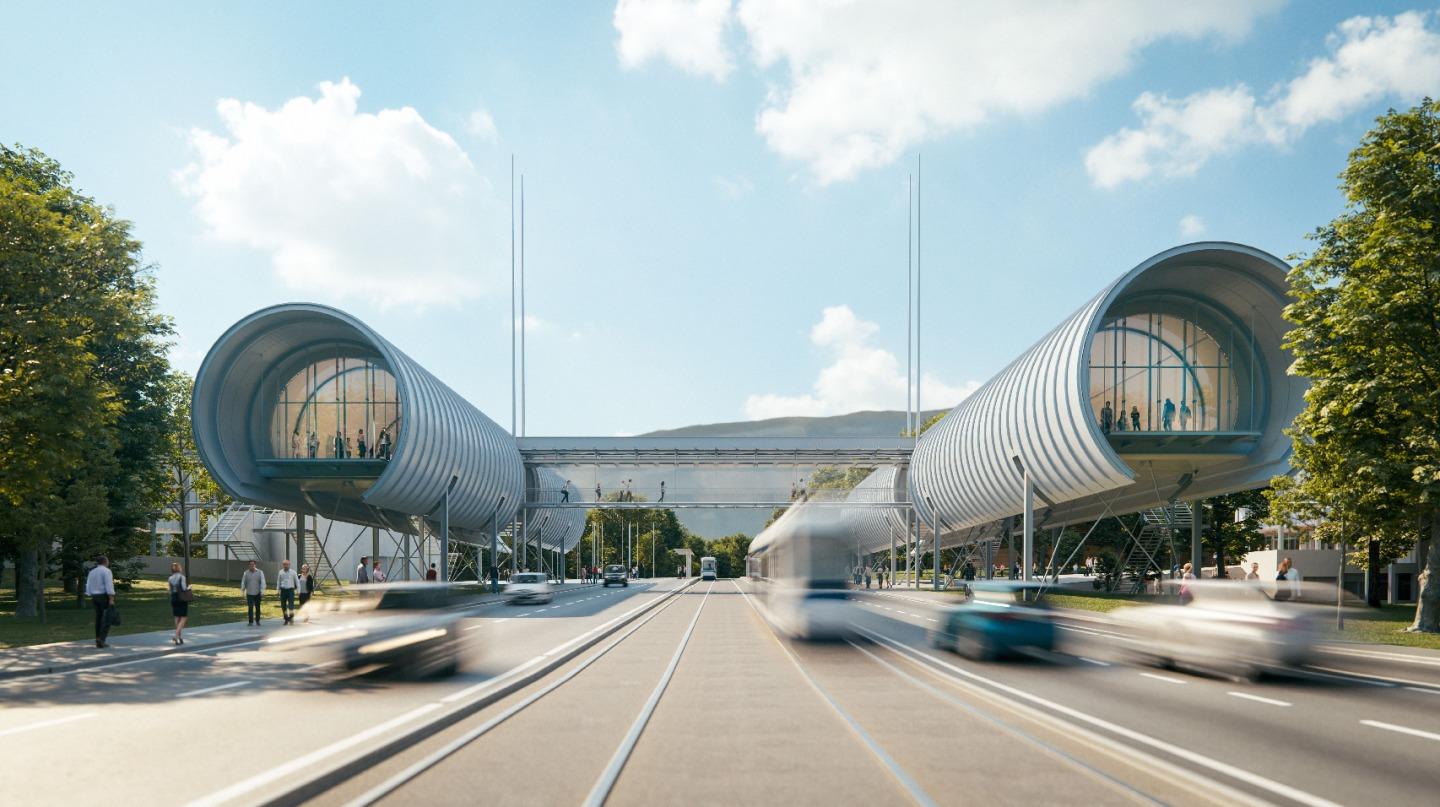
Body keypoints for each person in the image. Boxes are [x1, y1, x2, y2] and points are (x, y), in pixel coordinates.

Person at [86, 555, 116, 648]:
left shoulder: (92, 571)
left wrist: (90, 594)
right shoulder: (106, 571)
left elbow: (88, 584)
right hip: (103, 596)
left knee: (98, 618)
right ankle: (102, 639)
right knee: (107, 618)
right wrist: (111, 598)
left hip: (94, 596)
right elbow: (109, 584)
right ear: (105, 561)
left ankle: (97, 638)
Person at [168, 561, 190, 644]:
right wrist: (189, 587)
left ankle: (179, 638)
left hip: (173, 598)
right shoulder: (182, 577)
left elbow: (170, 590)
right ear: (179, 568)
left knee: (177, 617)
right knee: (183, 618)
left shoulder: (170, 578)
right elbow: (184, 589)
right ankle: (176, 636)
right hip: (181, 598)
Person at [240, 560, 266, 625]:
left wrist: (262, 591)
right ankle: (250, 621)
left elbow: (263, 582)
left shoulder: (260, 572)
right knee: (250, 607)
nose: (252, 566)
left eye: (253, 564)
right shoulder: (246, 573)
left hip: (258, 593)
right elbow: (243, 582)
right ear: (249, 565)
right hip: (249, 593)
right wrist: (242, 591)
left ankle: (258, 621)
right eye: (250, 564)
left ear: (255, 565)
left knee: (258, 607)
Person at [276, 559, 299, 625]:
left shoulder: (293, 572)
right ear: (283, 565)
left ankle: (291, 618)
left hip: (290, 590)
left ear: (289, 565)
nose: (286, 566)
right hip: (283, 590)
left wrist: (298, 591)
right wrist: (277, 590)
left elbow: (297, 582)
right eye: (284, 564)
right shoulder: (280, 572)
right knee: (283, 605)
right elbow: (278, 581)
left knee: (291, 605)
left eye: (287, 564)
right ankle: (286, 619)